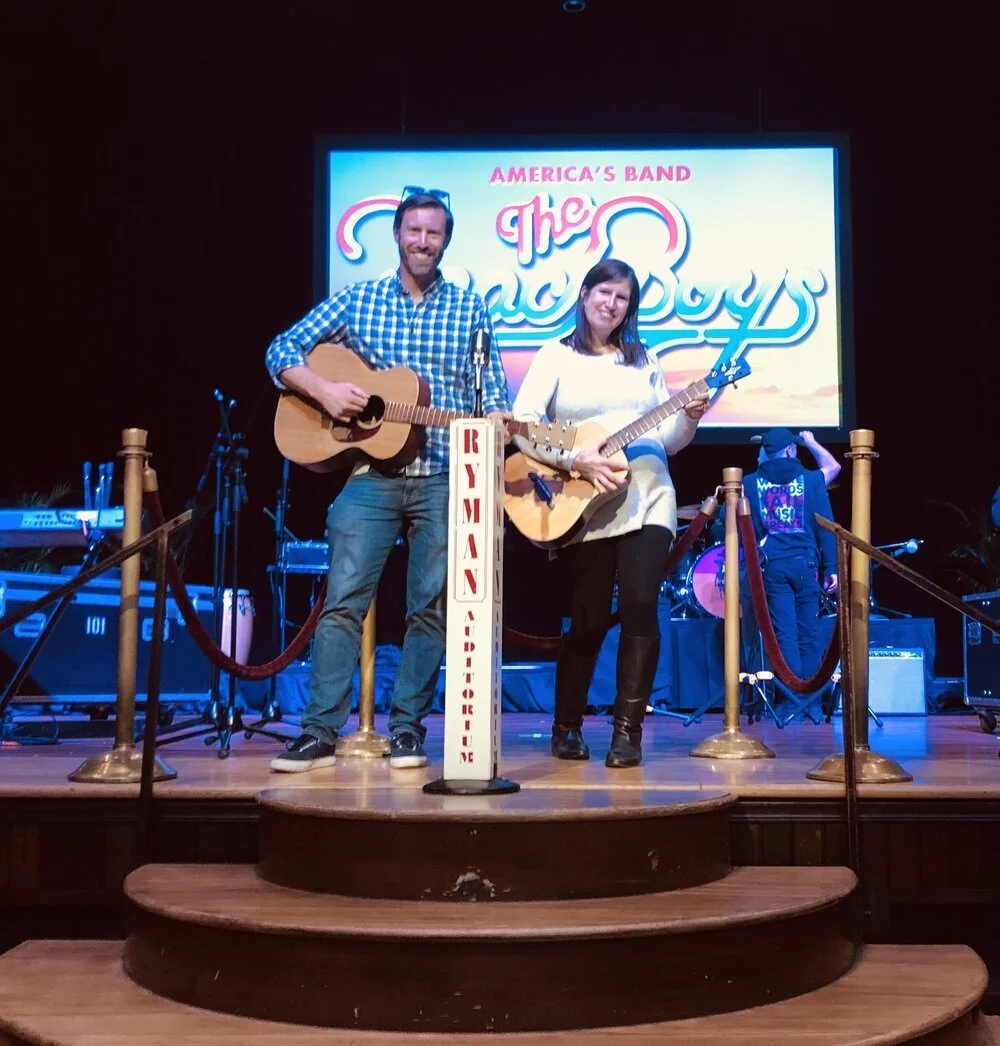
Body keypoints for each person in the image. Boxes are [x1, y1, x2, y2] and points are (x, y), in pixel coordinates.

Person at [265, 186, 511, 773]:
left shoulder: (470, 309)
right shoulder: (360, 299)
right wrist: (325, 391)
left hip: (445, 475)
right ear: (397, 234)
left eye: (434, 233)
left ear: (446, 241)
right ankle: (319, 732)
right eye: (414, 230)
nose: (423, 242)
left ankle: (407, 729)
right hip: (371, 473)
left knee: (430, 606)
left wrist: (503, 422)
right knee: (342, 601)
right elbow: (281, 348)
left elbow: (493, 394)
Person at [511, 259, 710, 768]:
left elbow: (669, 439)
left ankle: (628, 732)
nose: (612, 304)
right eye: (604, 293)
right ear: (584, 295)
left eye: (622, 298)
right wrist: (573, 459)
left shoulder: (644, 359)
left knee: (642, 603)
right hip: (585, 497)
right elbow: (523, 424)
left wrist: (688, 418)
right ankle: (567, 725)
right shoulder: (556, 355)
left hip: (649, 491)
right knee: (589, 618)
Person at [731, 427, 838, 704]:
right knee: (809, 632)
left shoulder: (750, 483)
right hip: (806, 565)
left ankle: (793, 700)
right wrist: (831, 567)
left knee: (785, 634)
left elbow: (746, 530)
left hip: (773, 567)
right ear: (790, 450)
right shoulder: (811, 480)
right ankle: (812, 702)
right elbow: (826, 525)